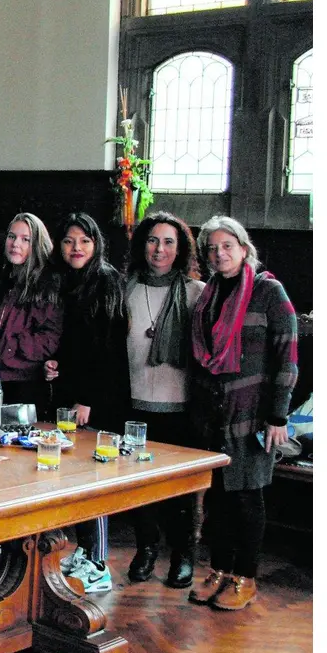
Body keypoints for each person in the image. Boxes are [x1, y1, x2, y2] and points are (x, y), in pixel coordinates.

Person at [186, 216, 297, 612]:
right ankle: (219, 569)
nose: (219, 254)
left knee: (247, 500)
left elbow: (287, 357)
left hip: (253, 416)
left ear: (244, 249)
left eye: (227, 246)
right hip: (214, 413)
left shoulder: (269, 292)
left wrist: (278, 417)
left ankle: (245, 577)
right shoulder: (210, 292)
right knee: (217, 499)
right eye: (212, 248)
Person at [48, 212, 130, 594]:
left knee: (94, 478)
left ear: (96, 244)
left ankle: (98, 563)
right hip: (75, 394)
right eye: (68, 241)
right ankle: (86, 551)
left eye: (84, 241)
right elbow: (75, 345)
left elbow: (107, 350)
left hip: (99, 399)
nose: (75, 248)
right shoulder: (70, 281)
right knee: (76, 477)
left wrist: (86, 400)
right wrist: (56, 367)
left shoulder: (106, 280)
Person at [123, 212, 206, 589]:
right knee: (140, 486)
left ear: (181, 247)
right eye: (153, 240)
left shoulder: (196, 293)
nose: (160, 249)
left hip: (181, 406)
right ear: (143, 245)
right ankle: (146, 550)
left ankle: (183, 556)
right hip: (135, 403)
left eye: (169, 241)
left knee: (181, 490)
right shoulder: (127, 288)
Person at [0, 213, 62, 409]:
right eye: (11, 236)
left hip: (24, 378)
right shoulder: (2, 275)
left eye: (25, 239)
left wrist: (11, 346)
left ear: (37, 244)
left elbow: (50, 337)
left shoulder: (47, 282)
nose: (15, 244)